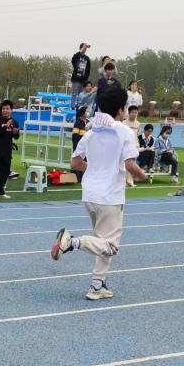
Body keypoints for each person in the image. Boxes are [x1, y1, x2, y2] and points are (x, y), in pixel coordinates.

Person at [50, 86, 146, 300]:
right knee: (110, 246)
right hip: (110, 196)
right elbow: (130, 165)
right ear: (121, 109)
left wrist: (93, 169)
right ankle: (71, 242)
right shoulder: (124, 132)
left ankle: (97, 285)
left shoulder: (91, 132)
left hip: (90, 195)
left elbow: (75, 163)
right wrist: (143, 176)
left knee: (102, 241)